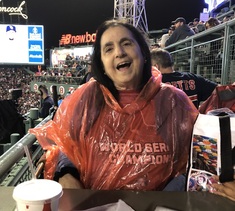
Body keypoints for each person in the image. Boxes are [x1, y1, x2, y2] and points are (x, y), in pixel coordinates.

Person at [29, 19, 198, 191]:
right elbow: (65, 146)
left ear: (144, 53)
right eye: (108, 49)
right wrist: (65, 173)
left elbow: (193, 164)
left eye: (126, 43)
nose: (119, 52)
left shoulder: (173, 101)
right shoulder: (85, 99)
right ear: (101, 63)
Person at [151, 48, 217, 108]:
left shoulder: (155, 84)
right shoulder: (193, 78)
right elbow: (220, 90)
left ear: (156, 67)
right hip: (193, 120)